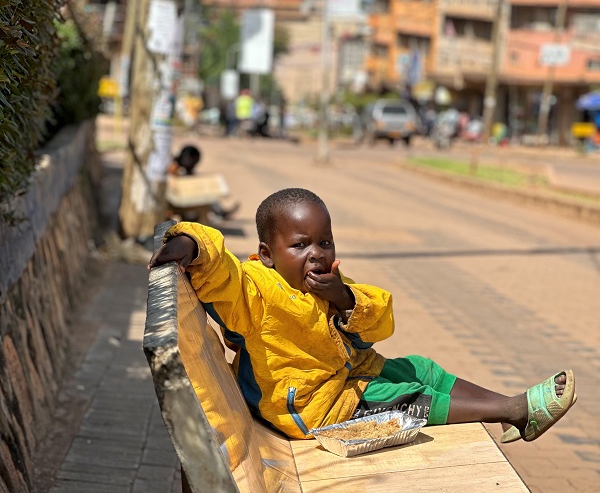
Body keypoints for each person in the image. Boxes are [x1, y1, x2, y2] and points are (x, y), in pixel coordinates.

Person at [148, 187, 576, 442]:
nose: (316, 254)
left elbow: (378, 323)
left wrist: (345, 298)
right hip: (314, 409)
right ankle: (514, 410)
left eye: (325, 242)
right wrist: (188, 243)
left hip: (347, 378)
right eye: (300, 245)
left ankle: (512, 409)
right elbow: (220, 270)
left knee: (420, 368)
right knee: (407, 398)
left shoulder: (326, 281)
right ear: (266, 254)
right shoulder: (255, 289)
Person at [168, 145, 239, 221]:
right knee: (207, 194)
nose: (193, 165)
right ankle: (220, 213)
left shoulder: (184, 168)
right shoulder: (174, 168)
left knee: (209, 191)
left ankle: (220, 212)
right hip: (178, 199)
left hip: (185, 195)